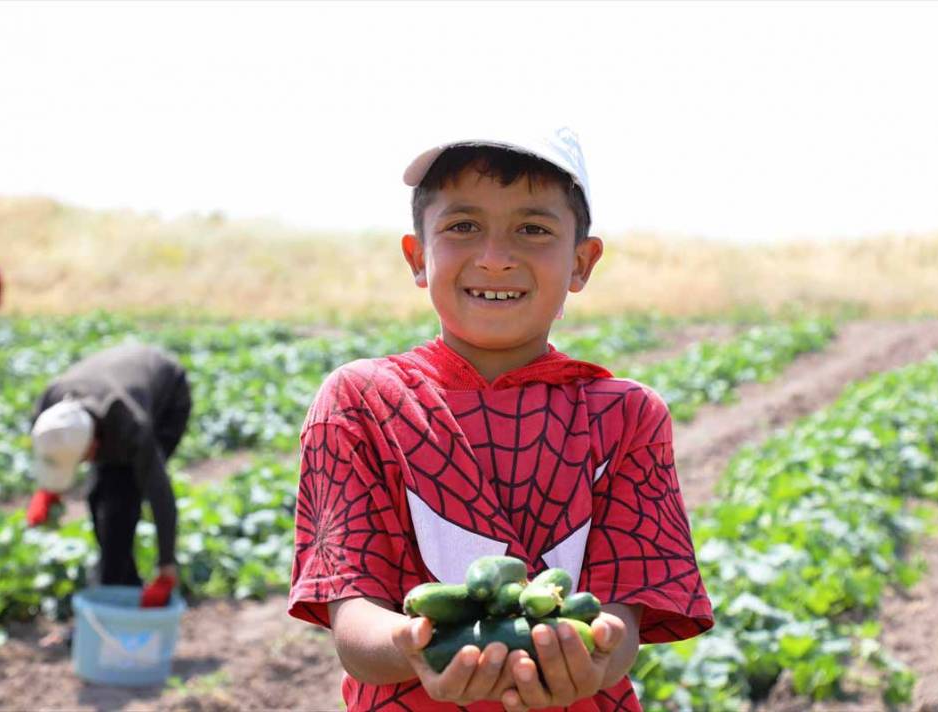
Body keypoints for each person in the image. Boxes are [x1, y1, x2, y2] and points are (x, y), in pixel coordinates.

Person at [287, 128, 714, 712]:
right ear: (417, 257)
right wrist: (415, 646)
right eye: (463, 226)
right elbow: (352, 618)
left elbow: (621, 618)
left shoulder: (627, 415)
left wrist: (592, 662)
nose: (495, 257)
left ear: (582, 263)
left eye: (533, 229)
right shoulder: (360, 402)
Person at [26, 343, 192, 608]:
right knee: (97, 497)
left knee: (120, 499)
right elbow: (51, 449)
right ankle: (119, 581)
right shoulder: (49, 408)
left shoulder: (131, 426)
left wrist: (166, 566)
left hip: (168, 394)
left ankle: (116, 590)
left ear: (93, 443)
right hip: (115, 383)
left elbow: (160, 494)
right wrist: (47, 488)